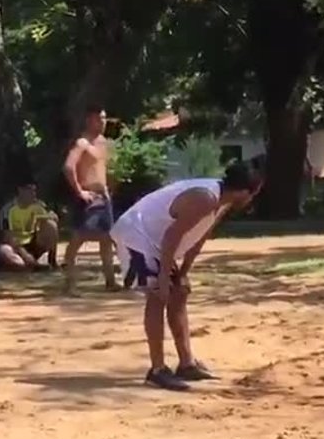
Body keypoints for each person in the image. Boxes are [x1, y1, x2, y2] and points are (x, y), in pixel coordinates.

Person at [110, 162, 262, 391]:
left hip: (156, 241)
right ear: (244, 192)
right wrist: (163, 278)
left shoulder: (221, 202)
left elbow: (198, 239)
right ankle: (157, 370)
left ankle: (186, 363)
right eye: (252, 195)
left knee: (179, 292)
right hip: (136, 235)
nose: (251, 200)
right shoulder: (206, 198)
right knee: (157, 296)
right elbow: (172, 235)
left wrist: (182, 273)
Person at [62, 105, 119, 295]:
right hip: (88, 198)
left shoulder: (103, 143)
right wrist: (80, 191)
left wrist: (109, 189)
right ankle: (70, 284)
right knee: (78, 239)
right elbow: (68, 167)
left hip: (104, 197)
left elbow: (105, 169)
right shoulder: (82, 143)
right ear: (89, 120)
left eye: (104, 118)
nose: (103, 122)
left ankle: (110, 281)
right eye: (99, 118)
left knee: (106, 239)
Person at [0, 180, 59, 270]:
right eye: (30, 190)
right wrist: (25, 254)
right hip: (16, 246)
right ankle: (28, 265)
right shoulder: (8, 210)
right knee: (4, 251)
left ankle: (52, 261)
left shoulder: (39, 205)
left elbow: (53, 217)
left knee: (51, 224)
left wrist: (51, 216)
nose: (33, 194)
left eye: (34, 190)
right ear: (20, 190)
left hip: (32, 243)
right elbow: (8, 236)